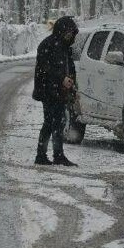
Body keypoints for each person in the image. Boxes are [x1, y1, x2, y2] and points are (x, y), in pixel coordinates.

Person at [32, 16, 79, 166]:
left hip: (60, 91)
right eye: (69, 32)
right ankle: (46, 155)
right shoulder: (48, 45)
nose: (71, 36)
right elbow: (45, 69)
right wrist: (61, 79)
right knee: (51, 123)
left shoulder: (65, 47)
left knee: (57, 122)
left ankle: (52, 155)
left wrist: (72, 85)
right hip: (48, 90)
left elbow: (69, 68)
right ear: (62, 30)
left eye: (72, 33)